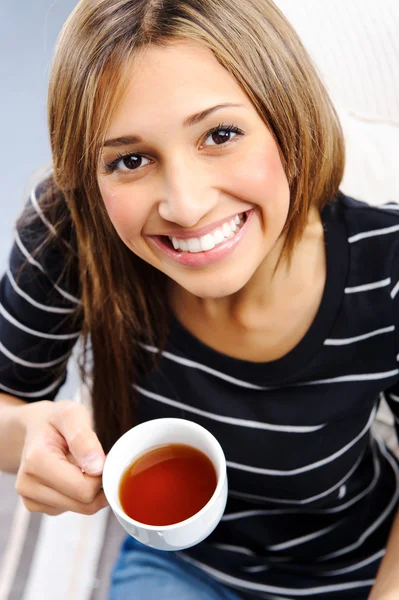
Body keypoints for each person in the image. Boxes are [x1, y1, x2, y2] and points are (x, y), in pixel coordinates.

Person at [0, 0, 398, 598]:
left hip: (359, 568)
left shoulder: (387, 266)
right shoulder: (68, 234)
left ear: (288, 120)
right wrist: (26, 431)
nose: (184, 206)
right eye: (130, 160)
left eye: (220, 134)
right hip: (179, 563)